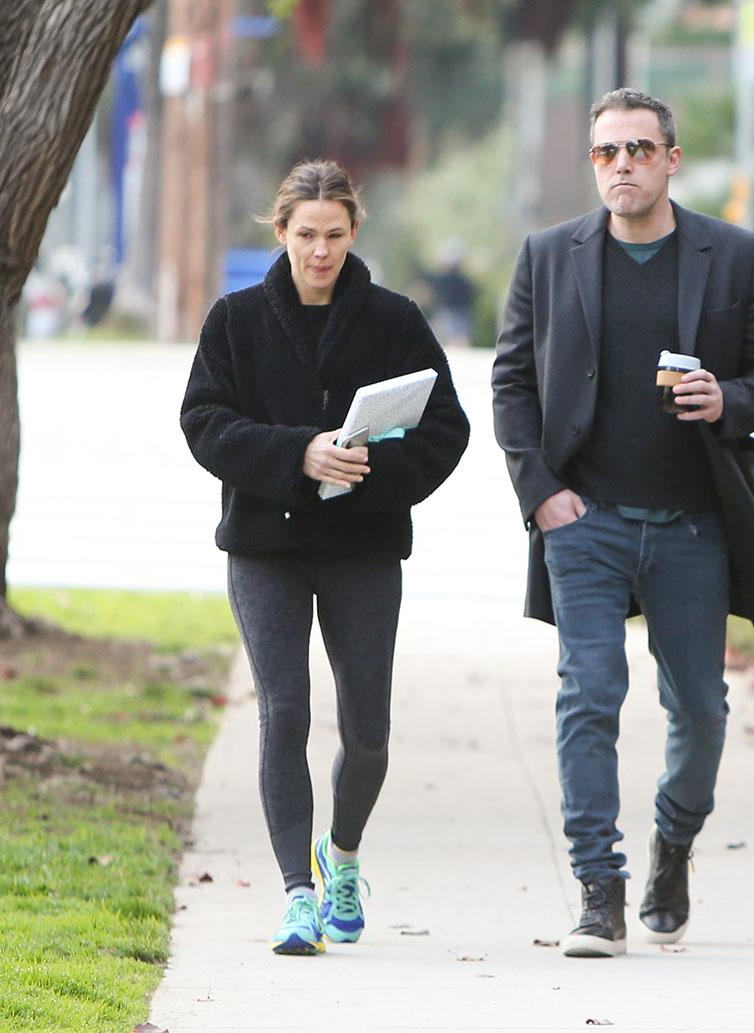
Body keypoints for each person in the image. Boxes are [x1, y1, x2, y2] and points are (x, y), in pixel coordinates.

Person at [492, 88, 754, 958]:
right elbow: (513, 385)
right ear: (592, 163)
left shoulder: (733, 256)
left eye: (638, 149)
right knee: (588, 694)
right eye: (606, 153)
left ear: (672, 159)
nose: (622, 165)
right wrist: (542, 492)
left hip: (693, 524)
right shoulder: (549, 256)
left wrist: (730, 399)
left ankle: (675, 839)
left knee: (701, 709)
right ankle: (599, 888)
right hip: (583, 521)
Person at [181, 159, 469, 956]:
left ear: (353, 232)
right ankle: (296, 896)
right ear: (280, 233)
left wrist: (373, 471)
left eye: (334, 236)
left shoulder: (394, 319)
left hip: (363, 546)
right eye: (305, 236)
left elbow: (449, 430)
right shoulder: (235, 320)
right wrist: (296, 453)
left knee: (368, 730)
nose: (319, 251)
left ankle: (340, 856)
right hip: (266, 547)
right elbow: (202, 421)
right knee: (285, 714)